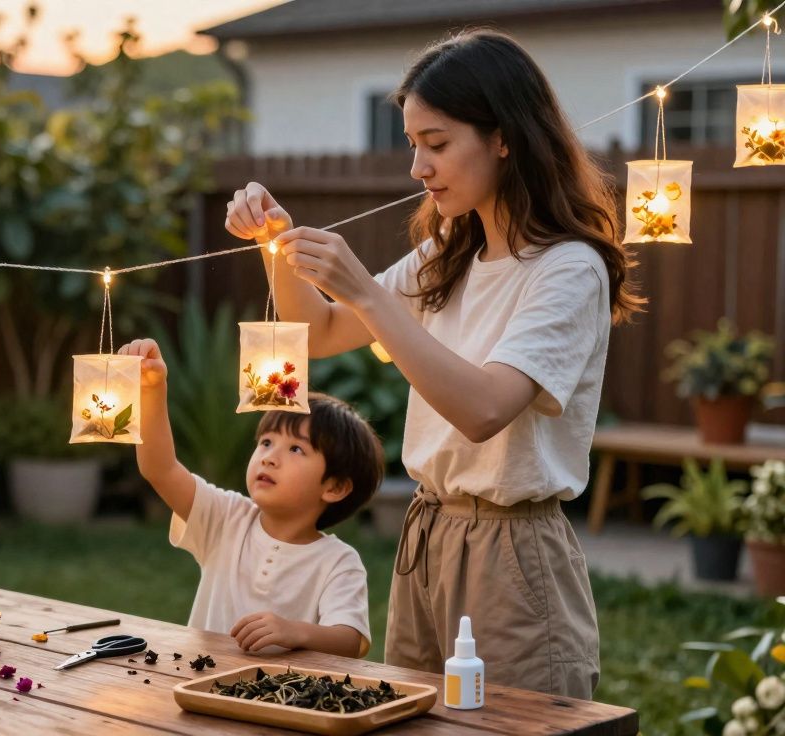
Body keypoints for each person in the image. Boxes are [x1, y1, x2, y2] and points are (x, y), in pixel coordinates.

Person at [224, 29, 642, 699]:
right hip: (427, 536)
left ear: (504, 136)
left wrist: (363, 289)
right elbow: (320, 330)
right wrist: (275, 241)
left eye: (438, 144)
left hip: (512, 552)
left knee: (512, 722)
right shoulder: (450, 250)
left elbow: (483, 409)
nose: (418, 167)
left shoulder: (568, 270)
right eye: (413, 145)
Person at [118, 337, 383, 657]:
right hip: (199, 685)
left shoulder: (338, 562)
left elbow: (350, 641)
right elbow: (160, 469)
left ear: (335, 487)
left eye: (296, 449)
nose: (270, 457)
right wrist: (151, 391)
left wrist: (294, 631)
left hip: (280, 700)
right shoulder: (226, 517)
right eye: (267, 442)